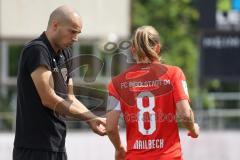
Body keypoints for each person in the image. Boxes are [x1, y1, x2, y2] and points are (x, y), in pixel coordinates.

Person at [13, 5, 106, 160]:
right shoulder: (37, 50)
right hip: (33, 148)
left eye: (78, 33)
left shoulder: (65, 54)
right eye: (72, 31)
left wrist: (92, 118)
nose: (76, 38)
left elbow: (70, 98)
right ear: (55, 25)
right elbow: (48, 98)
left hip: (58, 146)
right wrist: (88, 117)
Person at [106, 26, 199, 160]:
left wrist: (119, 148)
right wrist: (193, 129)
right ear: (158, 48)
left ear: (133, 51)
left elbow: (110, 127)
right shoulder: (174, 74)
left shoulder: (116, 83)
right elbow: (185, 114)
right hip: (169, 156)